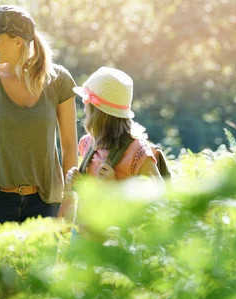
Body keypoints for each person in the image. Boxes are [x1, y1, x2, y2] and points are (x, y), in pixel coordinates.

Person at [0, 5, 78, 225]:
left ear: (17, 40)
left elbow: (70, 145)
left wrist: (69, 198)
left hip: (46, 204)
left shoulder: (59, 80)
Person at [59, 66, 164, 223]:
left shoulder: (137, 152)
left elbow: (160, 197)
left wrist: (115, 187)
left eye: (87, 103)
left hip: (117, 240)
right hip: (85, 235)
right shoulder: (87, 144)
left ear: (97, 113)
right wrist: (73, 183)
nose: (84, 107)